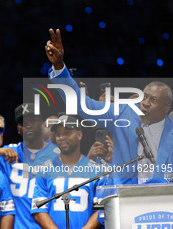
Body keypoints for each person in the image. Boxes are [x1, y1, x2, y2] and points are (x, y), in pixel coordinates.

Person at [45, 28, 173, 184]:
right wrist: (59, 66)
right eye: (144, 97)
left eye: (153, 100)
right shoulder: (122, 113)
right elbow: (81, 104)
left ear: (166, 108)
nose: (145, 103)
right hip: (124, 198)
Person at [31, 115, 105, 229]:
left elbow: (101, 211)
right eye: (58, 134)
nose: (62, 137)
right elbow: (38, 211)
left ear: (79, 134)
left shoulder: (97, 170)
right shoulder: (45, 169)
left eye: (67, 133)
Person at [0, 103, 60, 229]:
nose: (28, 126)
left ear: (42, 124)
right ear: (18, 129)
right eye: (23, 123)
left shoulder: (59, 155)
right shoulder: (8, 154)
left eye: (33, 121)